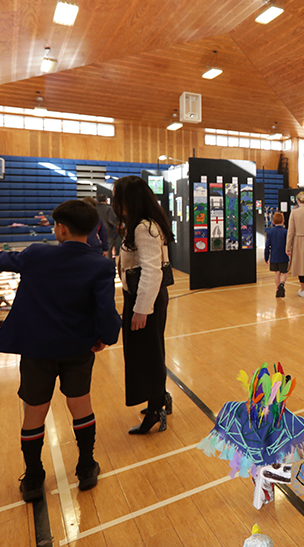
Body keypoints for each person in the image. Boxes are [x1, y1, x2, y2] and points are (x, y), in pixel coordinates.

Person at [0, 199, 121, 501]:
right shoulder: (100, 265)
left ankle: (34, 477)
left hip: (37, 349)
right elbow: (105, 310)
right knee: (81, 406)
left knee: (35, 411)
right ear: (93, 229)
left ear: (61, 228)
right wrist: (105, 337)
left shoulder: (38, 255)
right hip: (77, 347)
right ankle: (86, 467)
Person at [113, 175, 175, 435]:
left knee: (147, 354)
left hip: (144, 298)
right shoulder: (142, 224)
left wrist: (141, 309)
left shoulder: (143, 227)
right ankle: (160, 397)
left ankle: (154, 410)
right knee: (151, 351)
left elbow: (151, 271)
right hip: (145, 297)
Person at [265, 212, 289, 298]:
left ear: (273, 222)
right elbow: (289, 244)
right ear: (283, 221)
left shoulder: (270, 232)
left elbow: (267, 246)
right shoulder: (286, 232)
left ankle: (277, 289)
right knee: (285, 272)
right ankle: (282, 284)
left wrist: (266, 256)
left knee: (277, 272)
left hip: (274, 256)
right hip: (284, 255)